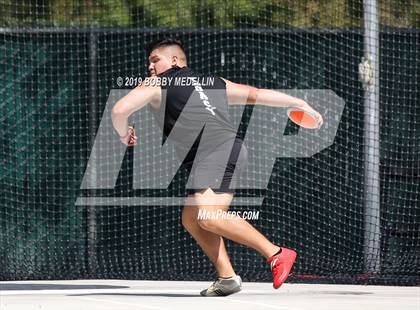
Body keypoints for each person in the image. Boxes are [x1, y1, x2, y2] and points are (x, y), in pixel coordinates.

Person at [111, 38, 323, 296]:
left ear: (175, 61)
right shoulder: (215, 82)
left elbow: (119, 111)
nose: (150, 66)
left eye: (155, 60)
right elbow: (257, 95)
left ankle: (276, 253)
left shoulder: (157, 83)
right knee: (192, 219)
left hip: (216, 152)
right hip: (226, 150)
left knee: (208, 216)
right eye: (148, 63)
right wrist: (299, 103)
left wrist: (124, 135)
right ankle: (227, 277)